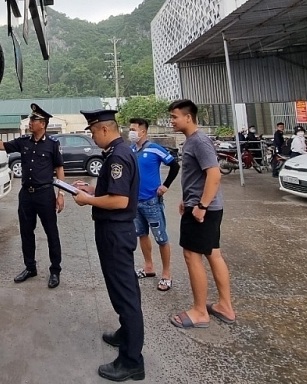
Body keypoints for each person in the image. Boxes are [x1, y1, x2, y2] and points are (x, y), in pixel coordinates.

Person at [72, 109, 145, 382]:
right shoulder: (120, 151)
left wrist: (88, 200)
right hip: (115, 231)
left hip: (115, 231)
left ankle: (131, 361)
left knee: (126, 297)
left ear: (104, 129)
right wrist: (93, 190)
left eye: (92, 132)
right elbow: (114, 191)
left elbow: (119, 201)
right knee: (123, 291)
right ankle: (126, 334)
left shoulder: (118, 156)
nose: (92, 137)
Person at [0, 103, 65, 289]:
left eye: (34, 120)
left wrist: (60, 194)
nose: (30, 122)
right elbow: (1, 145)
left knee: (51, 233)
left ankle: (55, 270)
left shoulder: (52, 145)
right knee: (26, 232)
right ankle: (30, 267)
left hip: (45, 194)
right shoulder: (23, 141)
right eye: (31, 119)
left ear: (43, 124)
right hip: (26, 194)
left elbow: (59, 169)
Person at [167, 99, 235, 330]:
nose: (171, 121)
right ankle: (225, 306)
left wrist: (201, 206)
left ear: (188, 117)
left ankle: (199, 312)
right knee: (213, 254)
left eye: (175, 116)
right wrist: (187, 200)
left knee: (192, 256)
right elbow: (198, 177)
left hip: (203, 211)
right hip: (201, 207)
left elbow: (214, 175)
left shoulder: (199, 141)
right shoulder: (193, 141)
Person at [128, 117, 179, 292]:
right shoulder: (131, 150)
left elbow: (175, 166)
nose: (131, 132)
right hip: (136, 202)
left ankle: (166, 274)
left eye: (134, 129)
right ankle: (149, 267)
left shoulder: (155, 149)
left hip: (152, 202)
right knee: (142, 234)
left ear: (143, 131)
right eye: (130, 129)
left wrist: (165, 186)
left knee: (161, 238)